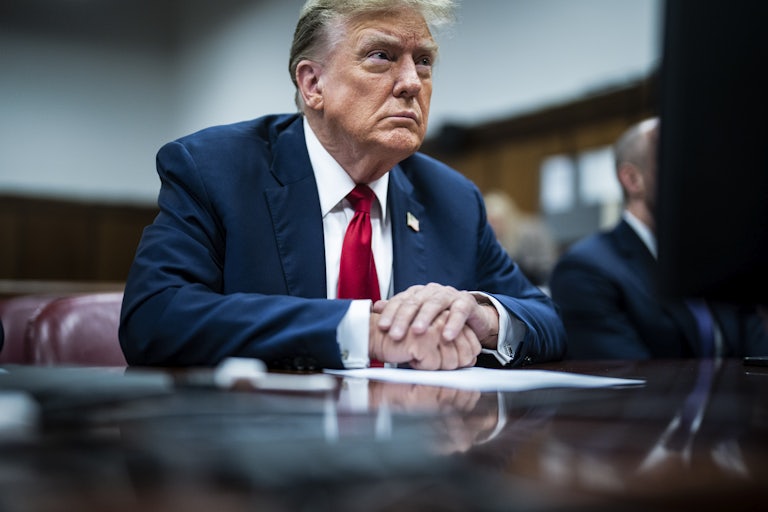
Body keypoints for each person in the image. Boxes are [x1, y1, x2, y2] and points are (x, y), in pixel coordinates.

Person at [119, 0, 566, 371]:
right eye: (381, 56)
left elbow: (550, 319)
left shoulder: (452, 199)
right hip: (263, 458)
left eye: (424, 61)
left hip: (421, 458)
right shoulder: (215, 169)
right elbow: (154, 317)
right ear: (313, 83)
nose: (412, 82)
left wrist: (482, 317)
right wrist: (359, 329)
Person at [549, 117, 768, 359]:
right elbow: (633, 382)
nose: (699, 175)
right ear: (633, 179)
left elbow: (758, 359)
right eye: (679, 162)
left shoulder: (722, 259)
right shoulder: (585, 270)